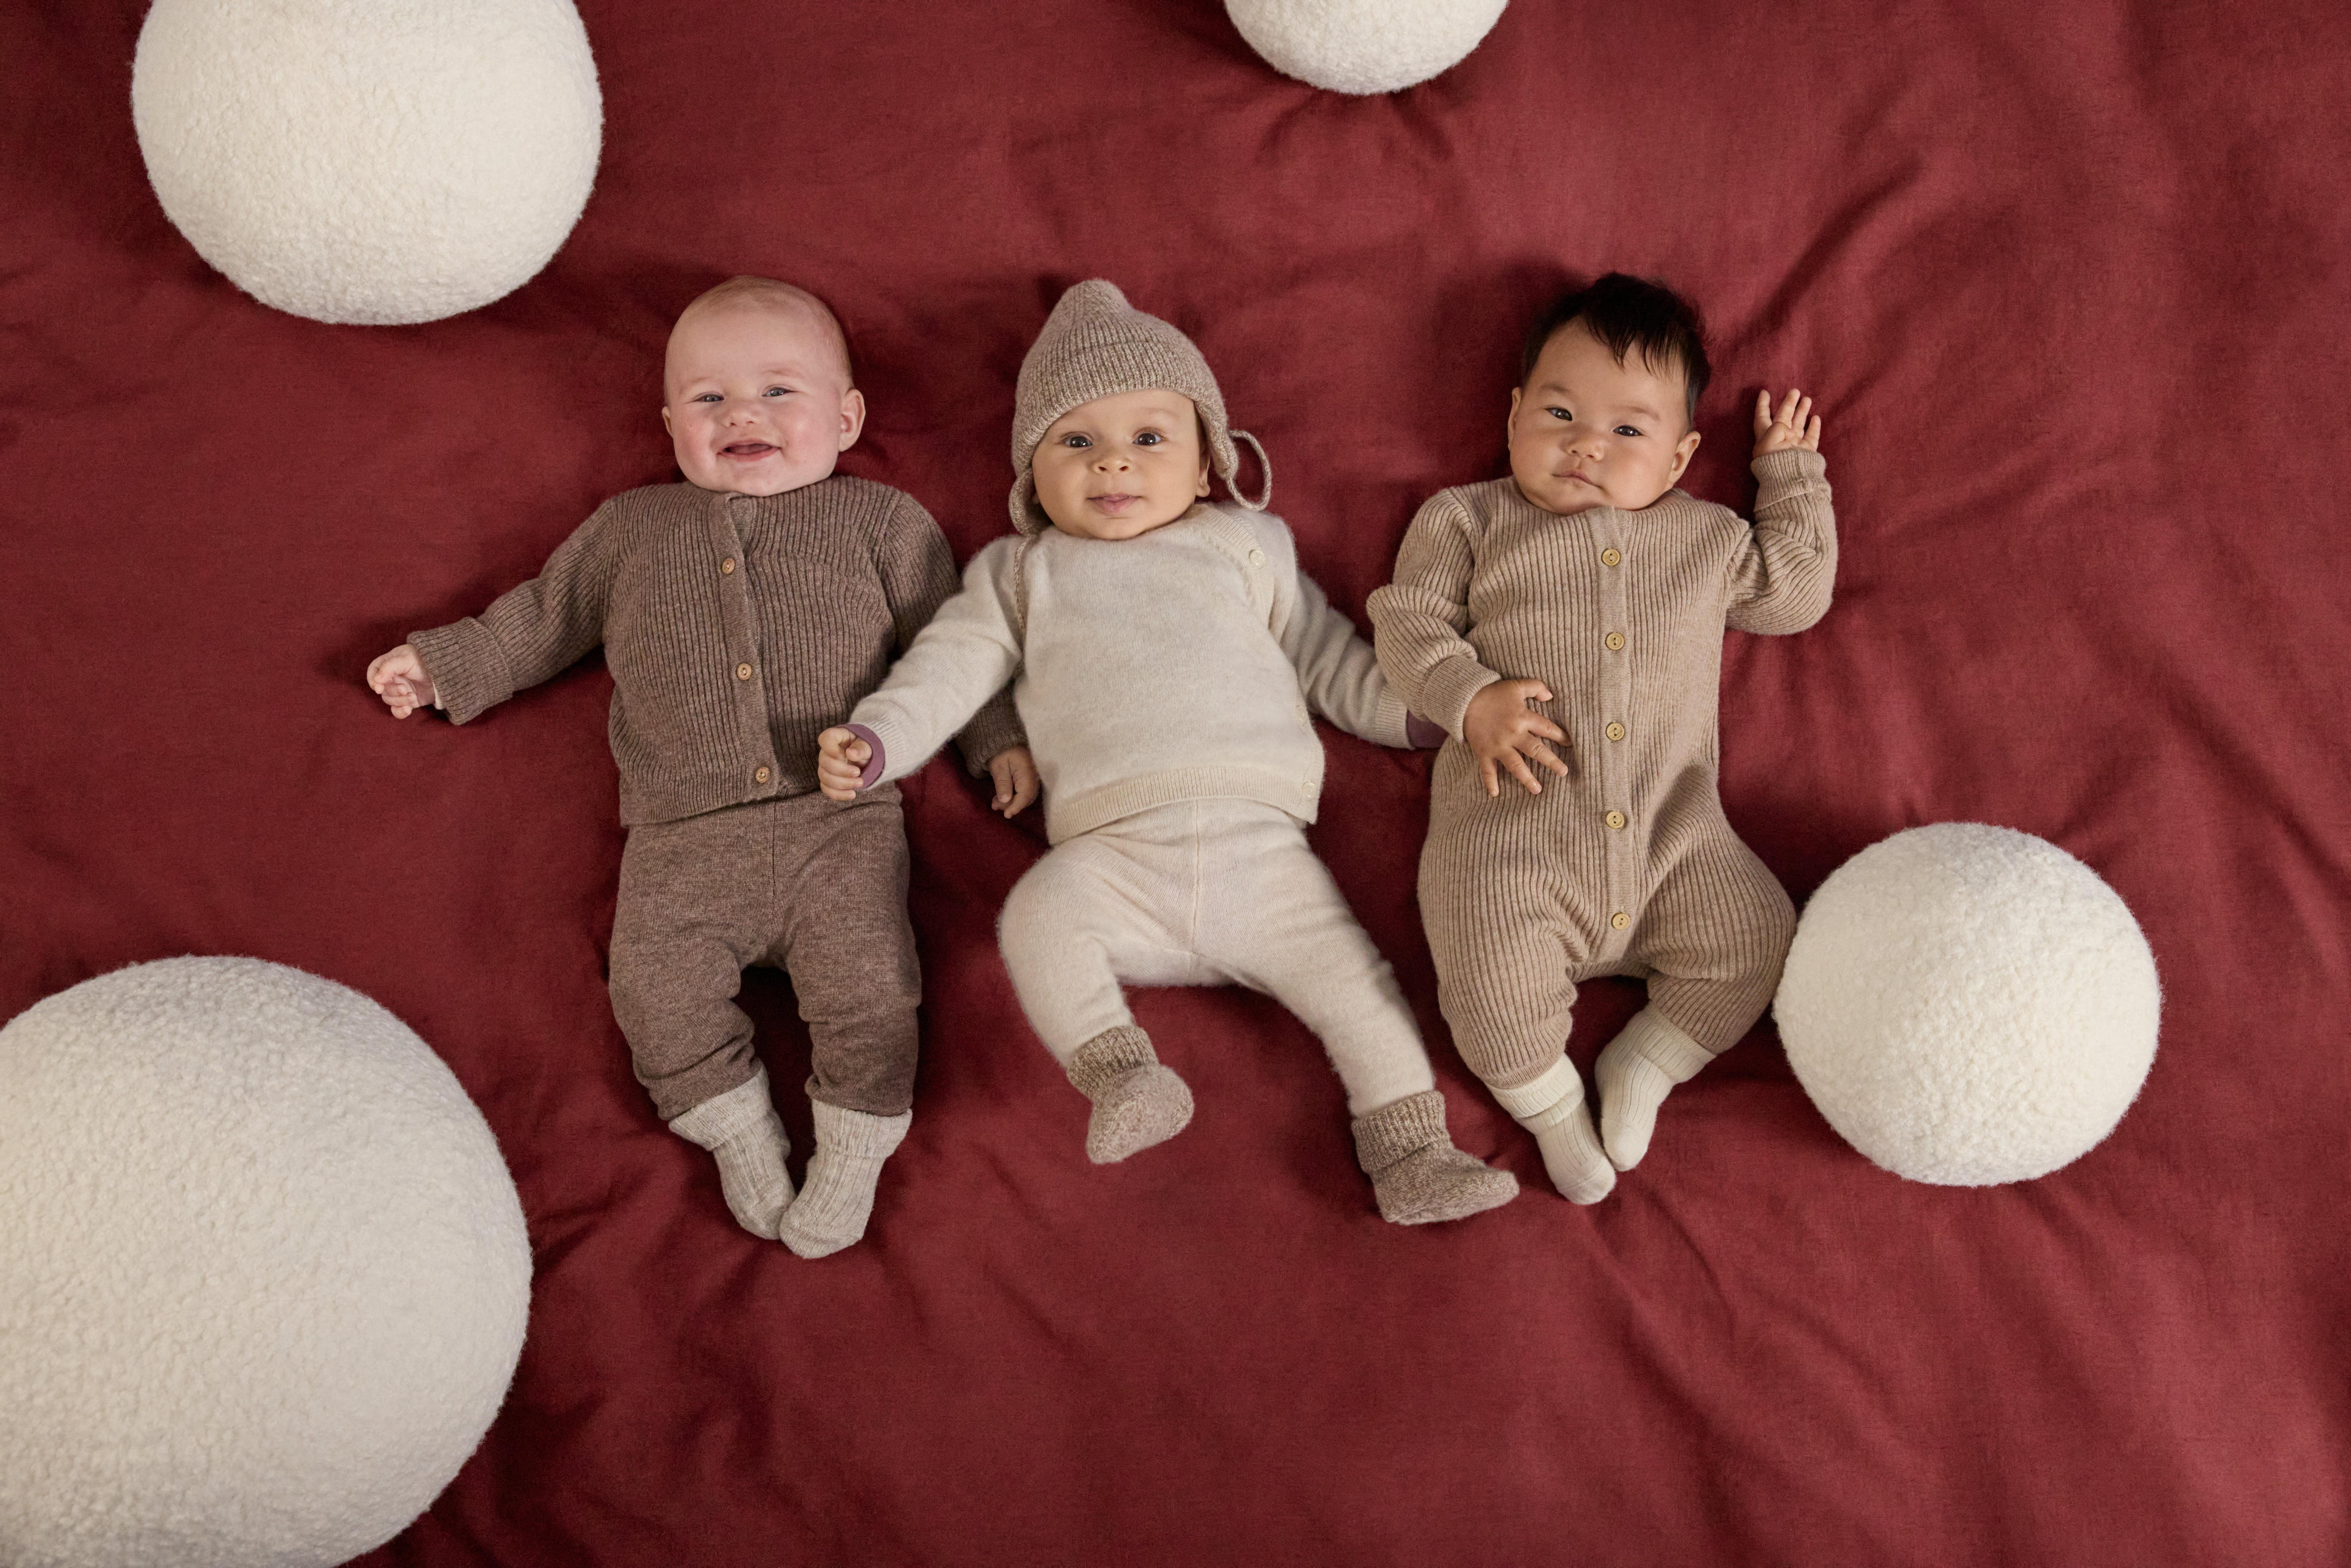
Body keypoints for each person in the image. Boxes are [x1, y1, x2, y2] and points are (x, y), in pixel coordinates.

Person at [816, 279, 1516, 1225]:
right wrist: (878, 738)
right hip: (1114, 861)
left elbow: (1328, 658)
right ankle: (1124, 1074)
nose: (1114, 465)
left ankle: (1413, 1151)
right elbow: (946, 668)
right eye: (1077, 443)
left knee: (1358, 990)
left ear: (1204, 469)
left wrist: (1421, 713)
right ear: (1031, 481)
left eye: (1149, 439)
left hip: (1260, 855)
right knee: (1035, 917)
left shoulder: (1246, 547)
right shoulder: (1023, 573)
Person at [366, 276, 1028, 1256]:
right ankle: (737, 1132)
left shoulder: (882, 524)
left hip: (836, 825)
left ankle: (853, 1152)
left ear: (846, 419)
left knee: (874, 989)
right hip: (680, 840)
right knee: (652, 992)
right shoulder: (631, 531)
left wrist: (995, 739)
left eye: (778, 392)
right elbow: (543, 618)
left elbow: (953, 645)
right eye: (710, 399)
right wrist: (446, 662)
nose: (743, 415)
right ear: (671, 422)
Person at [1368, 272, 1835, 1204]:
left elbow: (1795, 595)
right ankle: (1549, 1113)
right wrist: (1470, 698)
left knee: (1762, 939)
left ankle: (1647, 1065)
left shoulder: (1706, 539)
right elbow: (1408, 624)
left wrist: (1789, 476)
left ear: (1677, 459)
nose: (1586, 443)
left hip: (1675, 840)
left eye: (1628, 430)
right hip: (1516, 845)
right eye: (1558, 412)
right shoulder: (1468, 519)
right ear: (1511, 419)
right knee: (1488, 984)